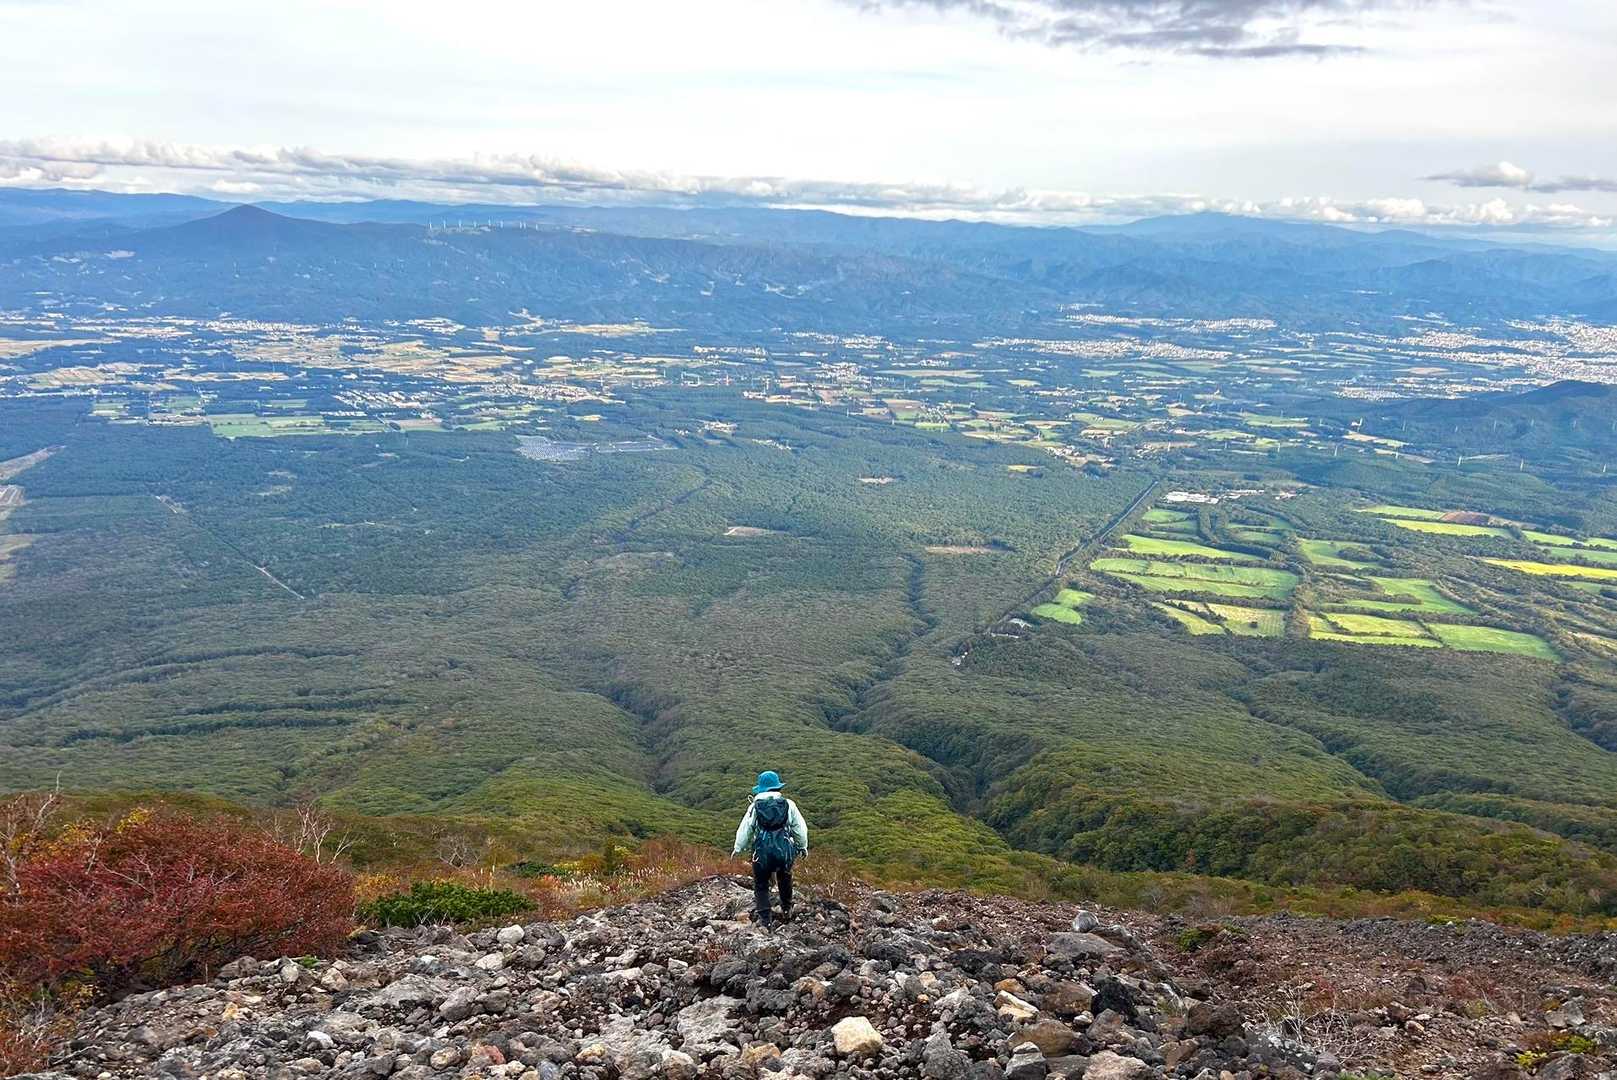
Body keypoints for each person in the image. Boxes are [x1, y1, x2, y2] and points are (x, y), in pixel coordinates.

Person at [732, 770, 808, 929]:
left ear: (760, 789)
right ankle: (786, 909)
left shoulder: (755, 807)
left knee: (761, 884)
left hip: (762, 854)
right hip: (784, 852)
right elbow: (800, 829)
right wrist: (802, 847)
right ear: (778, 787)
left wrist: (738, 848)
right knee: (785, 877)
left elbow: (745, 830)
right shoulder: (789, 805)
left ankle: (765, 920)